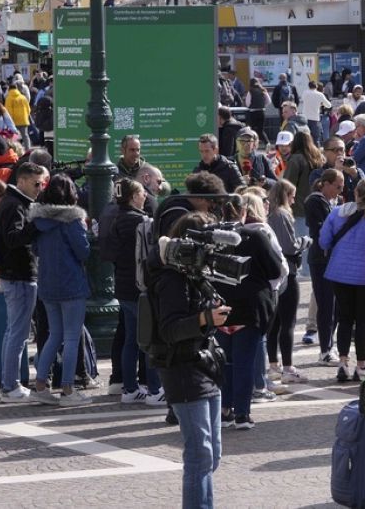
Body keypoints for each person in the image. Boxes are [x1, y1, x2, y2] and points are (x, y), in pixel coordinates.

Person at [150, 212, 230, 508]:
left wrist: (216, 316)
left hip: (205, 364)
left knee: (213, 454)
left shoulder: (196, 275)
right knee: (199, 454)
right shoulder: (171, 278)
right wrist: (205, 317)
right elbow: (170, 330)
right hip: (182, 368)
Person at [218, 192, 287, 430]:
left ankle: (224, 409)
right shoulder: (255, 236)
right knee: (244, 362)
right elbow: (276, 270)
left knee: (224, 361)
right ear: (243, 212)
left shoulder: (212, 237)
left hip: (219, 308)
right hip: (249, 307)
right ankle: (242, 414)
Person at [26, 174, 91, 406]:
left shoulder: (39, 221)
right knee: (72, 336)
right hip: (71, 283)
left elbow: (35, 249)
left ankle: (41, 385)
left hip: (48, 283)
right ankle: (67, 390)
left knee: (55, 335)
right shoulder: (72, 220)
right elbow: (83, 251)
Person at [319, 179, 365, 382]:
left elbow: (324, 240)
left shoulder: (337, 213)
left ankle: (343, 362)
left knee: (344, 318)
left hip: (340, 273)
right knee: (363, 322)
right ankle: (361, 366)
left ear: (355, 194)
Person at [100, 178, 165, 405]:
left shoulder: (114, 218)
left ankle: (130, 389)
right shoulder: (142, 222)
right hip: (141, 288)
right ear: (131, 197)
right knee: (150, 339)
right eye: (140, 193)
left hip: (122, 286)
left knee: (130, 339)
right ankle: (155, 390)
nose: (145, 196)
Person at [0, 162, 48, 402]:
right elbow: (13, 238)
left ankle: (9, 383)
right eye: (37, 183)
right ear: (24, 180)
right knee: (17, 333)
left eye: (43, 183)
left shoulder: (12, 202)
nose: (40, 188)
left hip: (15, 274)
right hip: (19, 274)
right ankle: (10, 385)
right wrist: (35, 225)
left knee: (13, 332)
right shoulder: (15, 204)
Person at [265, 179, 305, 385]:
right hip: (286, 273)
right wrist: (304, 242)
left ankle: (274, 365)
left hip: (273, 274)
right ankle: (287, 367)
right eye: (292, 196)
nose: (294, 200)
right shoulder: (281, 215)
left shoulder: (270, 213)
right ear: (284, 196)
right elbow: (289, 246)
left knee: (275, 323)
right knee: (287, 321)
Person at [304, 169, 342, 360]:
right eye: (337, 186)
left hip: (334, 259)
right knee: (326, 304)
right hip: (320, 259)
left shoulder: (334, 202)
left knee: (335, 306)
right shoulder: (315, 201)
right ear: (325, 184)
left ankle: (330, 344)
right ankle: (325, 350)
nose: (340, 191)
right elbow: (320, 230)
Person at [245, 78, 270, 144]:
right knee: (261, 130)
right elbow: (269, 101)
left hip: (253, 112)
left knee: (252, 129)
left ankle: (253, 144)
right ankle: (267, 143)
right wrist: (263, 105)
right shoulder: (263, 90)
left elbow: (247, 103)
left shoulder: (250, 91)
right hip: (262, 112)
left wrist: (251, 106)